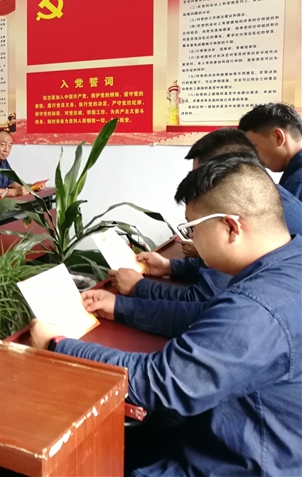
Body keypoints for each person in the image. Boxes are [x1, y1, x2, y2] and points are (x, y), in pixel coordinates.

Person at [30, 156, 302, 476]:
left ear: (231, 227)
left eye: (192, 228)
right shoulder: (289, 264)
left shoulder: (257, 308)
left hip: (241, 461)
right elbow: (207, 314)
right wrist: (121, 308)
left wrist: (58, 345)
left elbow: (160, 382)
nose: (190, 240)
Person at [112, 129, 302, 305]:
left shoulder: (244, 212)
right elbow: (219, 272)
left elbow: (204, 301)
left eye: (200, 176)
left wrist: (136, 289)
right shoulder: (268, 198)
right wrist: (170, 267)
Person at [239, 102, 302, 200]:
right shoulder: (294, 174)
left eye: (254, 147)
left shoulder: (297, 182)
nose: (254, 157)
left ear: (278, 137)